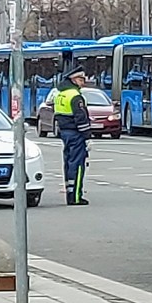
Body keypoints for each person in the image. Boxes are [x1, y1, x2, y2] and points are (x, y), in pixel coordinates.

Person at [54, 70, 95, 206]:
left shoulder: (60, 94)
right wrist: (87, 137)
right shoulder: (75, 96)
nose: (83, 82)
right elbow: (81, 119)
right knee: (77, 165)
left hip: (65, 133)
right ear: (74, 79)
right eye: (81, 79)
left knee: (68, 164)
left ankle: (69, 192)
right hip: (76, 134)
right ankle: (76, 196)